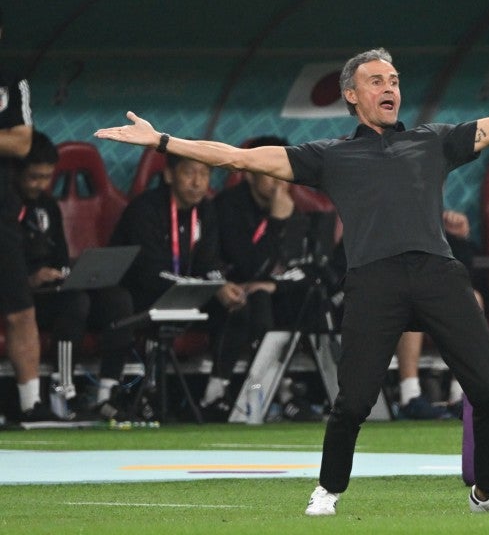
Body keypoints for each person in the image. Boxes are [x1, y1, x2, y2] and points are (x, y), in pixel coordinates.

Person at [95, 47, 489, 515]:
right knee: (354, 400)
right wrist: (162, 142)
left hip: (437, 272)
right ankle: (328, 489)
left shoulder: (434, 140)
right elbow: (237, 157)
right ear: (352, 97)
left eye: (394, 80)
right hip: (373, 280)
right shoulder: (329, 156)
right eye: (376, 81)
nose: (390, 87)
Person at [108, 152, 250, 421]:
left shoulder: (206, 210)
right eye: (190, 173)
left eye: (205, 174)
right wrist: (205, 285)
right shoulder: (144, 209)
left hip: (187, 292)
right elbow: (147, 269)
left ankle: (214, 395)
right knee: (139, 298)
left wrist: (220, 284)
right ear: (169, 175)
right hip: (144, 291)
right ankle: (133, 394)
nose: (198, 182)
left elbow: (209, 260)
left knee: (235, 307)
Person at [16, 130, 136, 418]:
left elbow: (58, 256)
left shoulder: (48, 206)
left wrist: (61, 273)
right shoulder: (7, 205)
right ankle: (63, 391)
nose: (40, 184)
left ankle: (107, 392)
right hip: (22, 293)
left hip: (53, 288)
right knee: (74, 302)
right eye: (34, 177)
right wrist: (31, 277)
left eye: (46, 177)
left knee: (117, 300)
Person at [213, 135, 320, 421]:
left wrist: (276, 284)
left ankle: (321, 391)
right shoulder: (228, 207)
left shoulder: (290, 207)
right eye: (269, 169)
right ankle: (273, 392)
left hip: (275, 293)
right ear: (249, 173)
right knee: (258, 300)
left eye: (281, 170)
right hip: (230, 296)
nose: (277, 180)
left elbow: (303, 267)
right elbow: (248, 267)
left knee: (312, 296)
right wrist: (275, 223)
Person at [0, 7, 57, 422]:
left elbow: (21, 142)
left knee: (20, 310)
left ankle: (30, 405)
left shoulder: (10, 80)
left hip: (2, 215)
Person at [396, 209, 484, 420]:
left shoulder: (440, 224)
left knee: (472, 297)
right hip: (393, 294)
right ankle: (409, 395)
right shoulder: (383, 213)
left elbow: (465, 272)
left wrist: (459, 239)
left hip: (437, 294)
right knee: (411, 295)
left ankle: (460, 393)